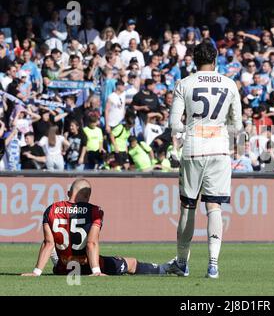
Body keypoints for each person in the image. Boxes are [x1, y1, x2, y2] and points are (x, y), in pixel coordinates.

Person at [168, 41, 242, 279]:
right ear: (216, 58)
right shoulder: (229, 84)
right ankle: (213, 264)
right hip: (219, 149)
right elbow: (237, 126)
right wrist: (219, 128)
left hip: (193, 148)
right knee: (214, 207)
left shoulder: (185, 83)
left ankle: (182, 262)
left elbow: (174, 124)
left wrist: (191, 126)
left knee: (188, 206)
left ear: (193, 59)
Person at [21, 178, 171, 276]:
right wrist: (96, 271)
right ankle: (165, 269)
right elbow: (91, 243)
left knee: (56, 246)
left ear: (68, 193)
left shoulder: (52, 209)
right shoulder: (95, 211)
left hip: (64, 269)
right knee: (130, 263)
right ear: (88, 196)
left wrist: (36, 272)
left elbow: (48, 243)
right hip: (85, 267)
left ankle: (57, 261)